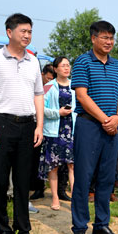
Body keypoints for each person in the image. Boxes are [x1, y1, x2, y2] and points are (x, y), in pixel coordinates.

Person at [0, 13, 44, 234]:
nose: (27, 35)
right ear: (9, 32)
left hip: (27, 126)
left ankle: (23, 229)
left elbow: (38, 95)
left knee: (23, 180)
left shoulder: (33, 61)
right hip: (1, 124)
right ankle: (2, 229)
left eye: (30, 32)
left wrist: (39, 125)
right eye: (23, 31)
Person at [70, 20, 118, 234]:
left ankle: (101, 225)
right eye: (104, 37)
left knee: (107, 178)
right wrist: (105, 119)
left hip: (112, 128)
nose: (109, 42)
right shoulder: (82, 62)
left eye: (111, 38)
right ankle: (79, 227)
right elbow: (82, 96)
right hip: (89, 126)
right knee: (83, 178)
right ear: (93, 38)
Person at [39, 57, 76, 211]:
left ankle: (76, 198)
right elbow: (41, 108)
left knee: (72, 165)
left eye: (68, 65)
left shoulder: (75, 85)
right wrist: (57, 113)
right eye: (63, 66)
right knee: (53, 166)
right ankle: (54, 197)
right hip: (54, 131)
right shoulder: (48, 86)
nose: (66, 68)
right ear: (55, 69)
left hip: (71, 130)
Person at [30, 65, 56, 200]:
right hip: (32, 123)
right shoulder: (35, 84)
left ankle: (40, 187)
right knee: (34, 158)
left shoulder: (52, 87)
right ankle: (35, 186)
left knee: (44, 159)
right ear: (42, 74)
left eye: (51, 79)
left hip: (47, 127)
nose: (49, 81)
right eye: (48, 78)